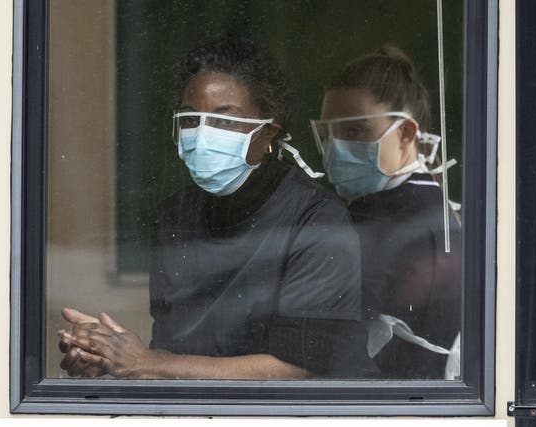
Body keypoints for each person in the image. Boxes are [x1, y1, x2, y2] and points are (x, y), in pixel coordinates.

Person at [58, 35, 366, 379]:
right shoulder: (174, 214)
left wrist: (145, 363)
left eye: (224, 120)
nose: (203, 136)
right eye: (191, 119)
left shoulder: (316, 221)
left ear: (268, 135)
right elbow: (176, 357)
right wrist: (110, 356)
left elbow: (296, 369)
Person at [310, 45, 462, 379]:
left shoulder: (391, 222)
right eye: (328, 133)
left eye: (354, 131)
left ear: (406, 133)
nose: (336, 148)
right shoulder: (429, 202)